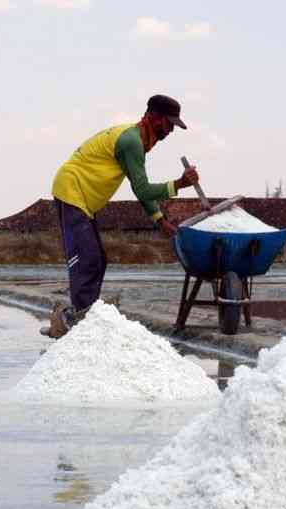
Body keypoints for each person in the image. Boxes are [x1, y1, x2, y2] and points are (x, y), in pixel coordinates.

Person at [41, 94, 199, 338]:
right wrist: (179, 183)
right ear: (154, 118)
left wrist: (159, 219)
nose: (170, 131)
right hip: (72, 191)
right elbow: (143, 189)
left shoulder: (137, 142)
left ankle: (81, 317)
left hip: (83, 200)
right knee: (87, 259)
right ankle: (75, 322)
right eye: (168, 124)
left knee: (98, 259)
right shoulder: (131, 142)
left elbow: (140, 189)